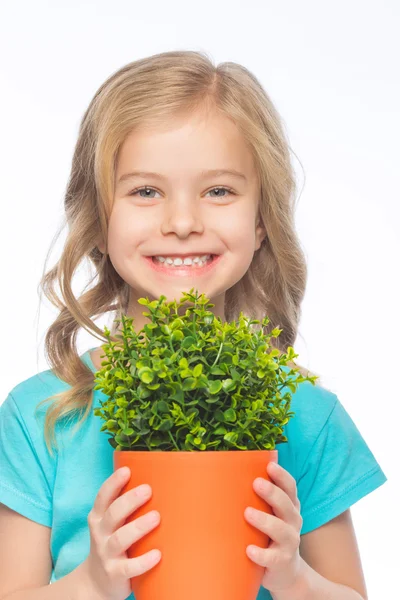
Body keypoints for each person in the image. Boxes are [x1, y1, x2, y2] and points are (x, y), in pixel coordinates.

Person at [0, 50, 386, 600]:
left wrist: (295, 579)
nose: (182, 222)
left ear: (261, 222)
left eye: (219, 191)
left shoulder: (306, 417)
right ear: (100, 217)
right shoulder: (41, 416)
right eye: (145, 191)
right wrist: (90, 583)